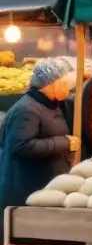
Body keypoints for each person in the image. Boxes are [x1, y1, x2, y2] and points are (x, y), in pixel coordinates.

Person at [0, 58, 78, 217]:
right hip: (26, 193)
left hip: (43, 188)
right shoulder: (26, 110)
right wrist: (64, 142)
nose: (69, 89)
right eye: (65, 84)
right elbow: (21, 146)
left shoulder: (51, 104)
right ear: (52, 84)